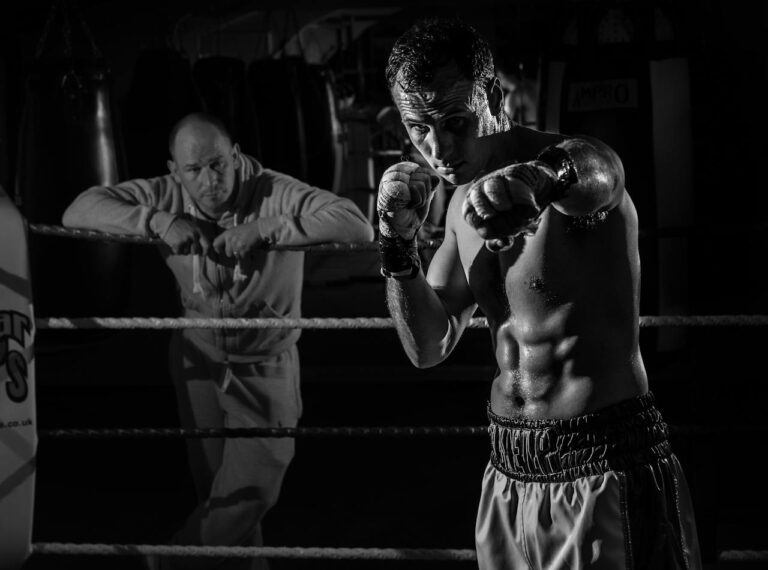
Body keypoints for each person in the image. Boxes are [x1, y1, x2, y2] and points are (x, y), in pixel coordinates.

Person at [377, 17, 701, 569]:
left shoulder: (566, 163)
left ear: (491, 97)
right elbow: (427, 346)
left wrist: (539, 180)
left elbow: (603, 171)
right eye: (418, 129)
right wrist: (396, 248)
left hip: (603, 462)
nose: (438, 148)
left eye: (455, 122)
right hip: (508, 470)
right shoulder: (456, 206)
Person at [62, 112, 374, 570]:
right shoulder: (166, 194)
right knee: (218, 497)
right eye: (194, 170)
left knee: (251, 495)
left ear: (236, 155)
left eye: (218, 165)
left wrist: (265, 230)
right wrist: (159, 221)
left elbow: (356, 224)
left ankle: (164, 563)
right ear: (175, 170)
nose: (209, 181)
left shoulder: (273, 190)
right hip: (197, 357)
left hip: (264, 361)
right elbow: (78, 210)